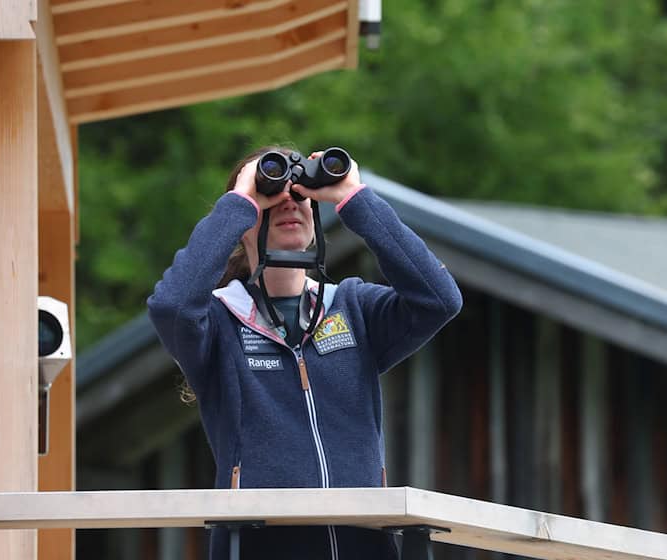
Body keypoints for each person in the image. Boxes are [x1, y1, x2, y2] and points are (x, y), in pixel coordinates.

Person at [147, 146, 463, 559]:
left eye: (301, 195)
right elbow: (171, 306)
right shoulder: (219, 323)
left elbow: (439, 299)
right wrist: (239, 203)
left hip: (364, 547)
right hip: (259, 548)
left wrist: (355, 198)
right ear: (242, 223)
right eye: (271, 196)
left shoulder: (354, 309)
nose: (289, 202)